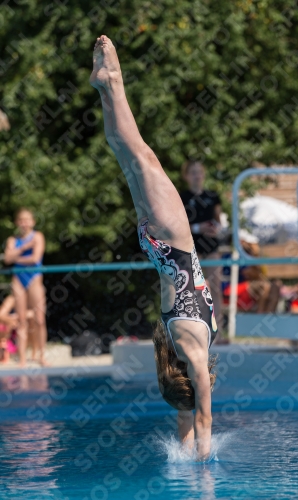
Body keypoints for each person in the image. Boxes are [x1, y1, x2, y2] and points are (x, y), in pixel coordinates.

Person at [90, 35, 218, 461]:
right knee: (124, 155)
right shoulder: (179, 350)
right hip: (156, 244)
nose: (207, 385)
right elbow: (186, 413)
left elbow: (201, 418)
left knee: (142, 155)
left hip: (175, 241)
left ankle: (115, 81)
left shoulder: (195, 353)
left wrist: (203, 472)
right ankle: (104, 87)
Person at [180, 161, 223, 336]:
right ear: (187, 176)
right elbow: (177, 225)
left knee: (216, 288)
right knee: (196, 290)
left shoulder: (213, 196)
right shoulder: (181, 197)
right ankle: (199, 329)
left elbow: (219, 221)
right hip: (192, 248)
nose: (197, 176)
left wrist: (216, 229)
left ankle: (219, 330)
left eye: (200, 172)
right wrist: (198, 228)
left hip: (211, 247)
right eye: (193, 172)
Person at [4, 208, 48, 367]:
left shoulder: (38, 236)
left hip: (34, 278)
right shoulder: (12, 240)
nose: (24, 223)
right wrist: (23, 249)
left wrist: (16, 256)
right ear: (17, 223)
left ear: (33, 222)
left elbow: (35, 258)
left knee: (39, 319)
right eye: (21, 220)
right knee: (21, 320)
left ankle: (42, 356)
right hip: (18, 279)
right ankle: (22, 358)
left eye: (27, 220)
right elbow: (7, 259)